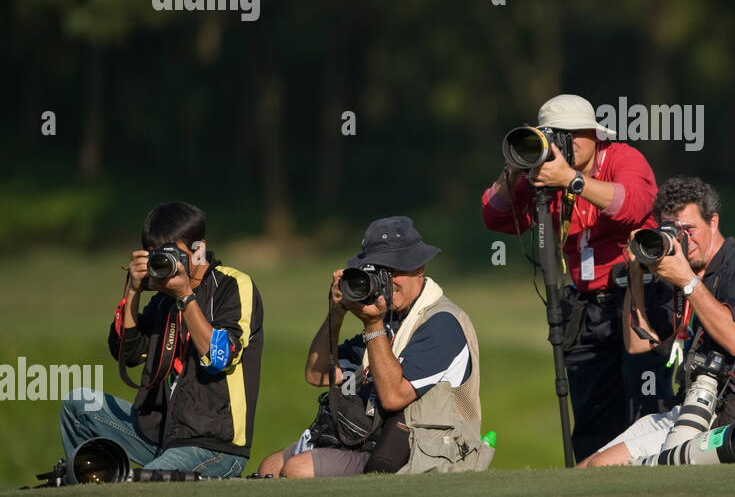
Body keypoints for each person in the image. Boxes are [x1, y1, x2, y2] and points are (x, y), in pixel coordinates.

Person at [482, 94, 669, 459]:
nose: (563, 145)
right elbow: (495, 216)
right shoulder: (545, 174)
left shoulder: (623, 158)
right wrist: (515, 168)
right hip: (585, 308)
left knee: (645, 409)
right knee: (592, 419)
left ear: (594, 134)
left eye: (571, 136)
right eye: (554, 136)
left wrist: (572, 180)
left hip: (638, 298)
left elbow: (631, 206)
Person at [258, 216, 490, 477]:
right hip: (376, 441)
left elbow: (393, 397)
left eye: (395, 271)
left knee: (298, 469)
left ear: (419, 268)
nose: (387, 281)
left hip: (428, 452)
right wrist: (336, 313)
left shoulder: (442, 323)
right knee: (270, 466)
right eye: (378, 272)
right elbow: (318, 374)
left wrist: (373, 324)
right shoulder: (388, 320)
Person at [580, 176, 735, 467]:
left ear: (713, 222)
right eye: (673, 231)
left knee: (602, 468)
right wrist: (636, 274)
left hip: (731, 414)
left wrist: (686, 280)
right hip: (686, 409)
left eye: (689, 229)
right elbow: (638, 344)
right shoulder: (676, 270)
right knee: (586, 466)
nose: (684, 239)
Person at [60, 201, 263, 477]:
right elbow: (127, 354)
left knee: (143, 485)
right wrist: (132, 291)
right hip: (160, 437)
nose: (163, 263)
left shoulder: (232, 285)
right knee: (78, 407)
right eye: (155, 255)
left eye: (170, 254)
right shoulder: (162, 299)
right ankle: (92, 483)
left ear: (198, 250)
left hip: (214, 446)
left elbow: (220, 358)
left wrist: (184, 296)